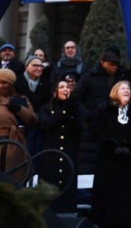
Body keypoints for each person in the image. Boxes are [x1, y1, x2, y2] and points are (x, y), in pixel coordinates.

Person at [91, 80, 131, 227]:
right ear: (115, 92)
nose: (126, 90)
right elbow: (98, 132)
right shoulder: (105, 110)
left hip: (128, 164)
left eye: (128, 88)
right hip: (108, 163)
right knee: (107, 202)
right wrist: (112, 146)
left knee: (125, 202)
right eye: (122, 88)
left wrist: (130, 149)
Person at [72, 48, 124, 175]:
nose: (114, 68)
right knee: (88, 162)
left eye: (116, 65)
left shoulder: (120, 78)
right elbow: (75, 99)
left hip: (112, 126)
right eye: (111, 64)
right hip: (91, 126)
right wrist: (88, 116)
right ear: (102, 62)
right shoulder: (89, 77)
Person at [39, 79, 85, 214]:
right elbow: (47, 125)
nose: (66, 89)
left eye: (68, 87)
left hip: (69, 153)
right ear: (55, 92)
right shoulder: (46, 108)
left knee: (67, 187)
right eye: (62, 87)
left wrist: (71, 109)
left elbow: (80, 127)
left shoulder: (76, 108)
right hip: (51, 154)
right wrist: (63, 111)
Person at [16, 54, 53, 155]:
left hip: (39, 123)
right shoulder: (17, 81)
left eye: (40, 66)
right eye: (35, 65)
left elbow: (48, 103)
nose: (38, 68)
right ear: (26, 67)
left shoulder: (46, 84)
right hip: (21, 123)